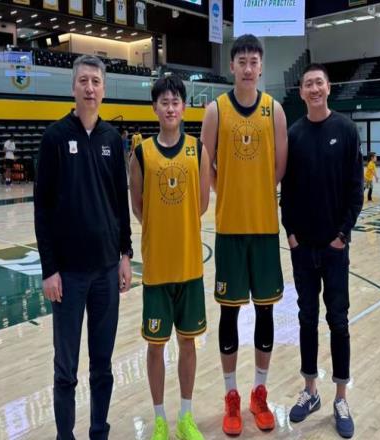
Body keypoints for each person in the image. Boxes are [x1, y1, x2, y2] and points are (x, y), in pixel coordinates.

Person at [34, 55, 132, 440]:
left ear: (104, 89)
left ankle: (98, 431)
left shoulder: (112, 139)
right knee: (66, 369)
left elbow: (120, 201)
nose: (90, 88)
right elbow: (42, 209)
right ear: (73, 87)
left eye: (96, 81)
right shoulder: (55, 138)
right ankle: (65, 435)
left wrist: (125, 255)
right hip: (68, 276)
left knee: (102, 366)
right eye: (84, 81)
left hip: (107, 270)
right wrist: (49, 270)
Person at [200, 34, 288, 436]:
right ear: (232, 66)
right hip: (231, 230)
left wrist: (257, 192)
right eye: (242, 61)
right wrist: (229, 192)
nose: (249, 68)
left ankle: (259, 393)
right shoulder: (216, 110)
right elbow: (206, 164)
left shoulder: (275, 110)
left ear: (261, 66)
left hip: (265, 229)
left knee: (266, 312)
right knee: (229, 313)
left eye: (254, 61)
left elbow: (280, 167)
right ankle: (232, 396)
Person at [281, 63, 363, 439]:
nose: (314, 89)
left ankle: (341, 397)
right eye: (308, 84)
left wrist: (342, 235)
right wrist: (291, 234)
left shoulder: (345, 130)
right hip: (303, 249)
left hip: (334, 249)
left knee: (339, 321)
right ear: (301, 92)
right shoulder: (294, 134)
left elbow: (355, 190)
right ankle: (310, 391)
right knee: (306, 319)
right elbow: (287, 193)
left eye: (319, 83)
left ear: (329, 87)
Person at [129, 75, 210, 440]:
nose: (171, 107)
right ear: (155, 108)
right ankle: (160, 418)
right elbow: (138, 205)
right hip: (157, 268)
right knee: (156, 345)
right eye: (164, 102)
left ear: (184, 107)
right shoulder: (141, 153)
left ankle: (185, 417)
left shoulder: (197, 149)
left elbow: (203, 202)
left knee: (188, 343)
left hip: (190, 265)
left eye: (176, 101)